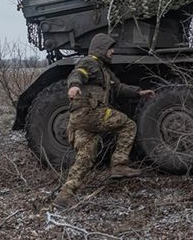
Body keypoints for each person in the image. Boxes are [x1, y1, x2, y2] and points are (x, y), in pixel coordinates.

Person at [53, 33, 155, 209]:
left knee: (85, 156)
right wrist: (74, 86)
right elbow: (78, 73)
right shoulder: (90, 63)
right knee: (128, 124)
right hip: (91, 113)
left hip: (81, 119)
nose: (113, 52)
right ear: (101, 49)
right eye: (110, 48)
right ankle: (119, 165)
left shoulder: (104, 71)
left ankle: (64, 196)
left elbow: (120, 88)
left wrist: (138, 92)